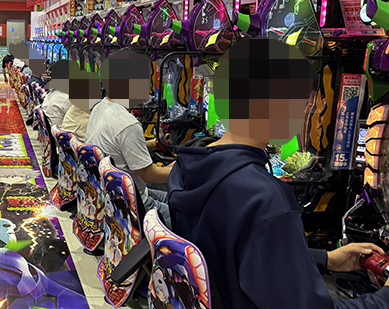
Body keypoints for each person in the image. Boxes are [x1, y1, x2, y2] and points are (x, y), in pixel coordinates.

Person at [168, 37, 389, 308]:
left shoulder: (189, 164)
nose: (307, 113)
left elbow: (231, 253)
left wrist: (325, 259)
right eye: (303, 103)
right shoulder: (264, 198)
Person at [85, 50, 174, 227]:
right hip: (132, 206)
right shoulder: (128, 124)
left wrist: (151, 144)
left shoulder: (100, 107)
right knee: (187, 217)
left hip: (110, 195)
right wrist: (182, 168)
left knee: (174, 198)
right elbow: (149, 175)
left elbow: (118, 148)